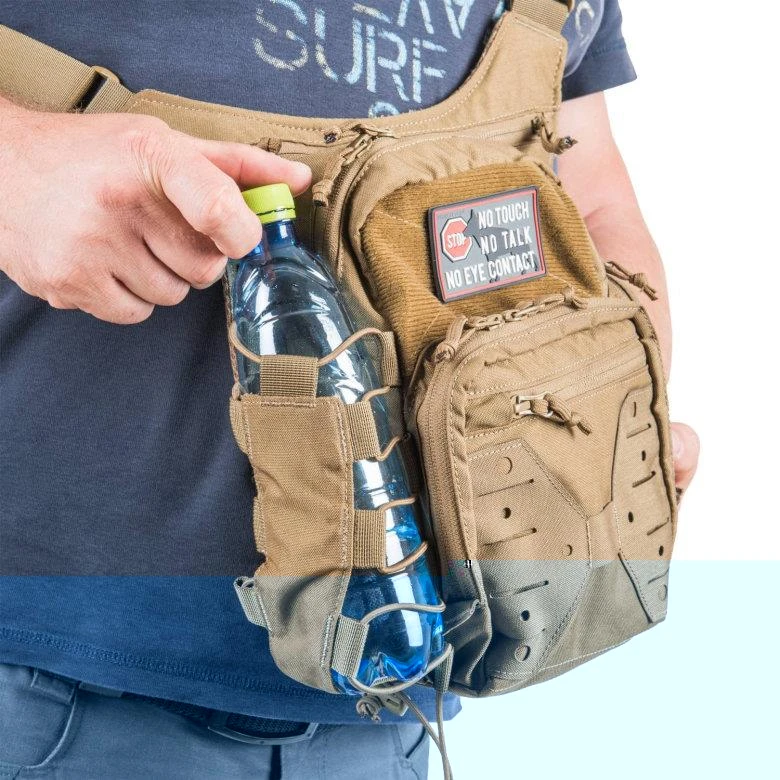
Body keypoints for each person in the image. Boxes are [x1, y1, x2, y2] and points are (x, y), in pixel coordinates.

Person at [0, 2, 699, 777]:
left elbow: (587, 195)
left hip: (396, 689)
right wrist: (16, 158)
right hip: (50, 693)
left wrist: (620, 410)